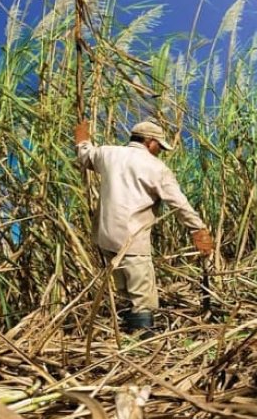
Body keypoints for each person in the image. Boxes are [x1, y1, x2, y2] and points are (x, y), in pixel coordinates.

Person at [74, 119, 213, 331]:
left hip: (105, 236)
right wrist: (198, 229)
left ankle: (128, 331)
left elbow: (85, 155)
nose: (160, 151)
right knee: (142, 296)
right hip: (132, 239)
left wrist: (82, 138)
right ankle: (143, 340)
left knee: (124, 289)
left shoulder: (107, 154)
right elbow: (179, 203)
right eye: (159, 146)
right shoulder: (156, 167)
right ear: (149, 142)